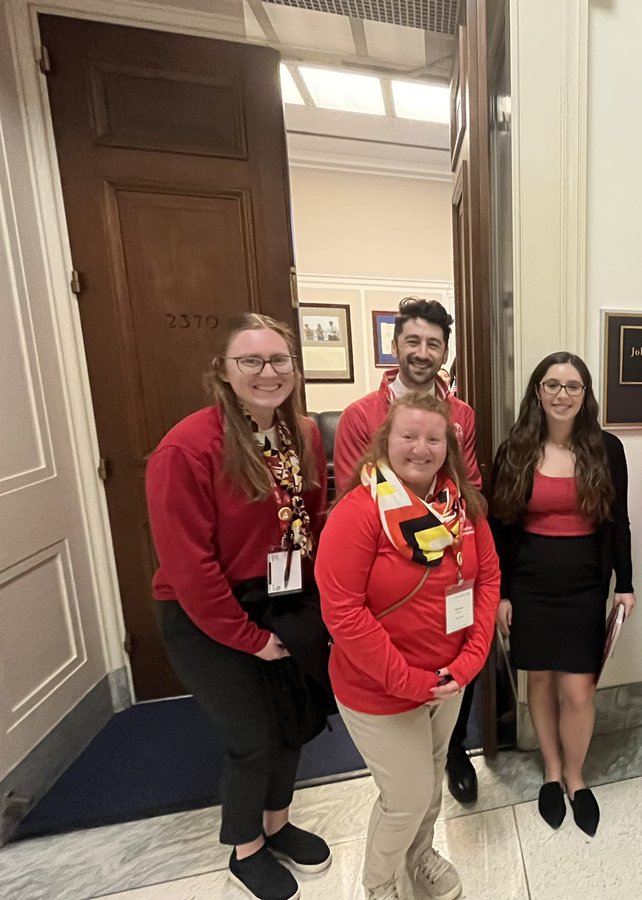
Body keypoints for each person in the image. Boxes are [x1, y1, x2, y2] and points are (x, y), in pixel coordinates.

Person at [146, 314, 331, 900]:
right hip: (207, 611)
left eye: (278, 360)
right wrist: (249, 637)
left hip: (283, 596)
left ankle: (277, 825)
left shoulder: (301, 432)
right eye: (250, 360)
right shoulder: (187, 446)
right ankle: (244, 847)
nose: (267, 372)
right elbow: (189, 566)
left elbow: (310, 516)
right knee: (251, 735)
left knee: (293, 723)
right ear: (223, 372)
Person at [317, 392, 499, 900]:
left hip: (448, 679)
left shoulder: (463, 508)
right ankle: (379, 886)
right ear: (385, 441)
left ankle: (419, 860)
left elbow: (487, 581)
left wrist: (469, 661)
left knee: (432, 779)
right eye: (408, 436)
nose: (421, 448)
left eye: (433, 438)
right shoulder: (357, 513)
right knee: (407, 794)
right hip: (379, 686)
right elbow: (344, 614)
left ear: (449, 446)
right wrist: (410, 681)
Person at [334, 297, 483, 806]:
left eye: (433, 344)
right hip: (394, 566)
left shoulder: (462, 415)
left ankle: (455, 748)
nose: (422, 352)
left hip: (452, 562)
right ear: (395, 345)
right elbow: (357, 493)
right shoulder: (361, 415)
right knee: (398, 671)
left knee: (453, 650)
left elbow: (469, 483)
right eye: (413, 341)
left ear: (445, 352)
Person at [488, 352, 634, 837]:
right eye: (552, 384)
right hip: (529, 587)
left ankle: (576, 776)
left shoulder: (606, 449)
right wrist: (503, 592)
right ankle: (552, 770)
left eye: (573, 386)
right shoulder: (514, 451)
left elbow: (619, 523)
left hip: (584, 588)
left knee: (578, 690)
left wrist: (625, 585)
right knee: (542, 683)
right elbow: (500, 528)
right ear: (537, 392)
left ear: (585, 395)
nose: (562, 394)